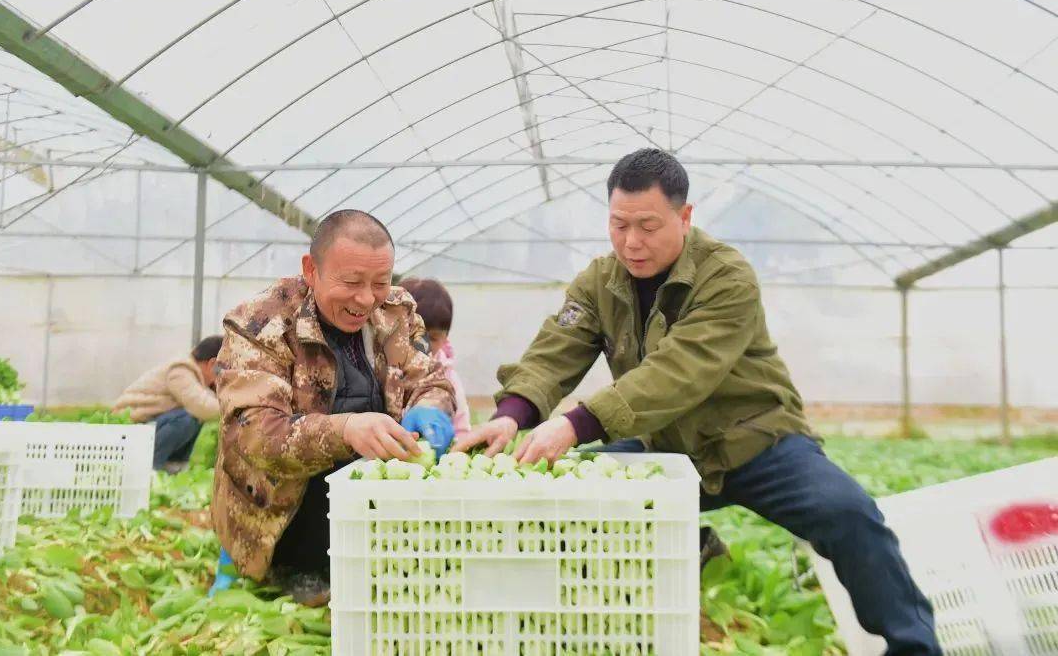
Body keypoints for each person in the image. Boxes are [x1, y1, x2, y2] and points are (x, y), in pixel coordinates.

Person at [454, 148, 941, 655]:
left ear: (685, 218)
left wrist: (578, 423)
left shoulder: (726, 276)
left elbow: (678, 373)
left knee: (848, 512)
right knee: (567, 501)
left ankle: (915, 648)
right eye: (619, 225)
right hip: (665, 448)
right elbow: (555, 353)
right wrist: (512, 416)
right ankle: (666, 572)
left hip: (756, 443)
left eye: (648, 225)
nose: (632, 242)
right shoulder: (600, 282)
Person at [211, 209, 455, 606]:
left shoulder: (395, 311)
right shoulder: (261, 325)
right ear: (312, 269)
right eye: (352, 282)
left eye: (380, 282)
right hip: (285, 510)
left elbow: (429, 378)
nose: (366, 299)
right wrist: (345, 430)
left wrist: (430, 407)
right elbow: (256, 434)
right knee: (310, 596)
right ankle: (281, 564)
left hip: (373, 510)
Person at [113, 335, 223, 472]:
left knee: (193, 418)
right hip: (130, 432)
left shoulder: (194, 376)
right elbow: (203, 406)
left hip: (145, 428)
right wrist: (236, 409)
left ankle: (172, 469)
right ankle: (147, 469)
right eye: (223, 370)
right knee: (187, 418)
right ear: (212, 364)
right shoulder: (181, 370)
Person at [398, 277, 472, 437]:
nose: (422, 344)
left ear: (446, 338)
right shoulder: (385, 365)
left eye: (432, 338)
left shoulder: (447, 376)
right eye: (411, 334)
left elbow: (461, 426)